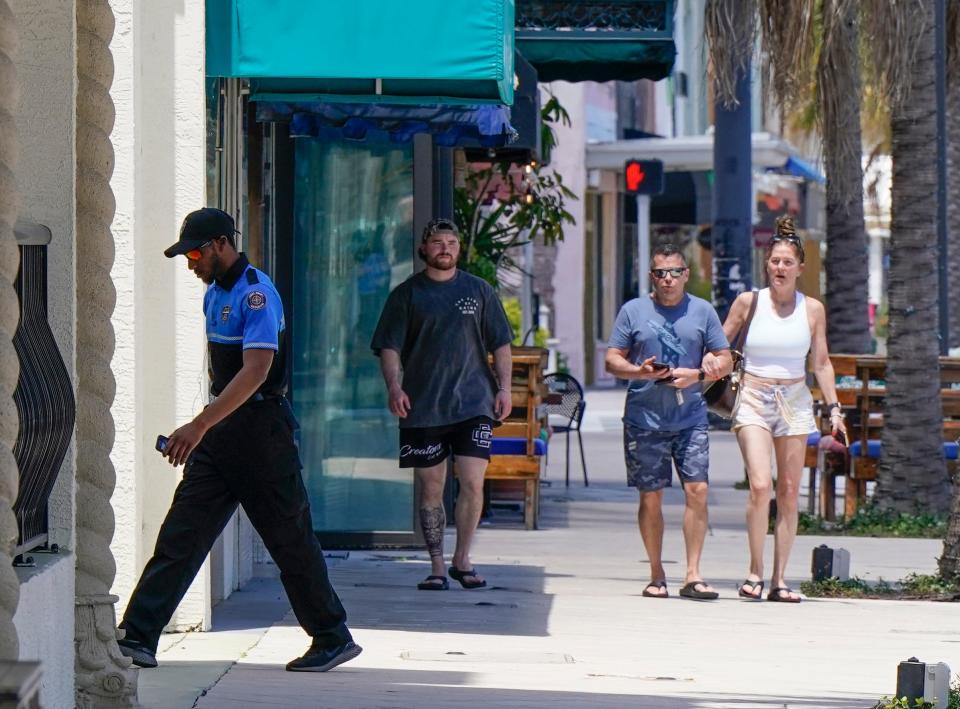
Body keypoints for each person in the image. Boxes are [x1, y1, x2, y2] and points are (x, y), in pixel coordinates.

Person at [117, 208, 361, 672]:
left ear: (220, 245)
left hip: (261, 433)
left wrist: (198, 425)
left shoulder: (256, 294)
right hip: (222, 435)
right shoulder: (214, 292)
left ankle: (331, 637)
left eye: (194, 253)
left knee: (289, 539)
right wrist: (205, 429)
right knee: (181, 535)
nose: (190, 263)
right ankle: (138, 636)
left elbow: (256, 372)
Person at [371, 217, 514, 591]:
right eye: (438, 243)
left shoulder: (479, 291)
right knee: (431, 487)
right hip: (423, 406)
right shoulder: (406, 295)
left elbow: (500, 342)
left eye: (451, 242)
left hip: (474, 402)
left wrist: (505, 389)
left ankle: (462, 558)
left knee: (472, 482)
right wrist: (394, 386)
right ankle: (436, 564)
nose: (445, 249)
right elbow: (389, 346)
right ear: (424, 249)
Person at [715, 215, 847, 603]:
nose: (780, 268)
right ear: (766, 264)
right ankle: (754, 571)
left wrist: (834, 410)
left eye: (788, 262)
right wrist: (699, 370)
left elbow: (821, 363)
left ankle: (779, 579)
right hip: (753, 397)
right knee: (761, 485)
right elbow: (720, 347)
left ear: (800, 268)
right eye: (774, 261)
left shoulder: (813, 310)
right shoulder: (748, 303)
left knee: (788, 492)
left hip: (794, 401)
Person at [605, 244, 732, 600]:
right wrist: (640, 371)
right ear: (652, 276)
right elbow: (612, 359)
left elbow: (725, 359)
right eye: (660, 273)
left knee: (698, 490)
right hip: (644, 417)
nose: (667, 279)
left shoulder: (703, 311)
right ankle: (656, 573)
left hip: (690, 417)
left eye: (674, 272)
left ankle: (693, 573)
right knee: (651, 496)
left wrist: (699, 373)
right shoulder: (633, 310)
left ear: (686, 275)